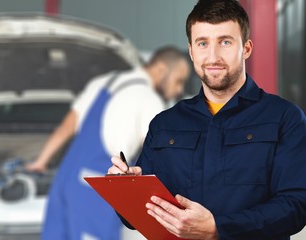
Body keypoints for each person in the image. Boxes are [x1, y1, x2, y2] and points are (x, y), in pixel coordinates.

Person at [108, 0, 306, 239]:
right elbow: (140, 216)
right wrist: (127, 189)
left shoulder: (285, 118)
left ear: (246, 48)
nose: (213, 57)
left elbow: (296, 206)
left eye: (225, 42)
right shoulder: (164, 124)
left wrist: (217, 228)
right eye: (203, 43)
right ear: (191, 51)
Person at [27, 46, 190, 239]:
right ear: (161, 69)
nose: (179, 90)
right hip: (97, 189)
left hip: (66, 181)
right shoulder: (149, 100)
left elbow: (67, 126)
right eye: (178, 81)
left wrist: (41, 161)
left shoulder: (104, 82)